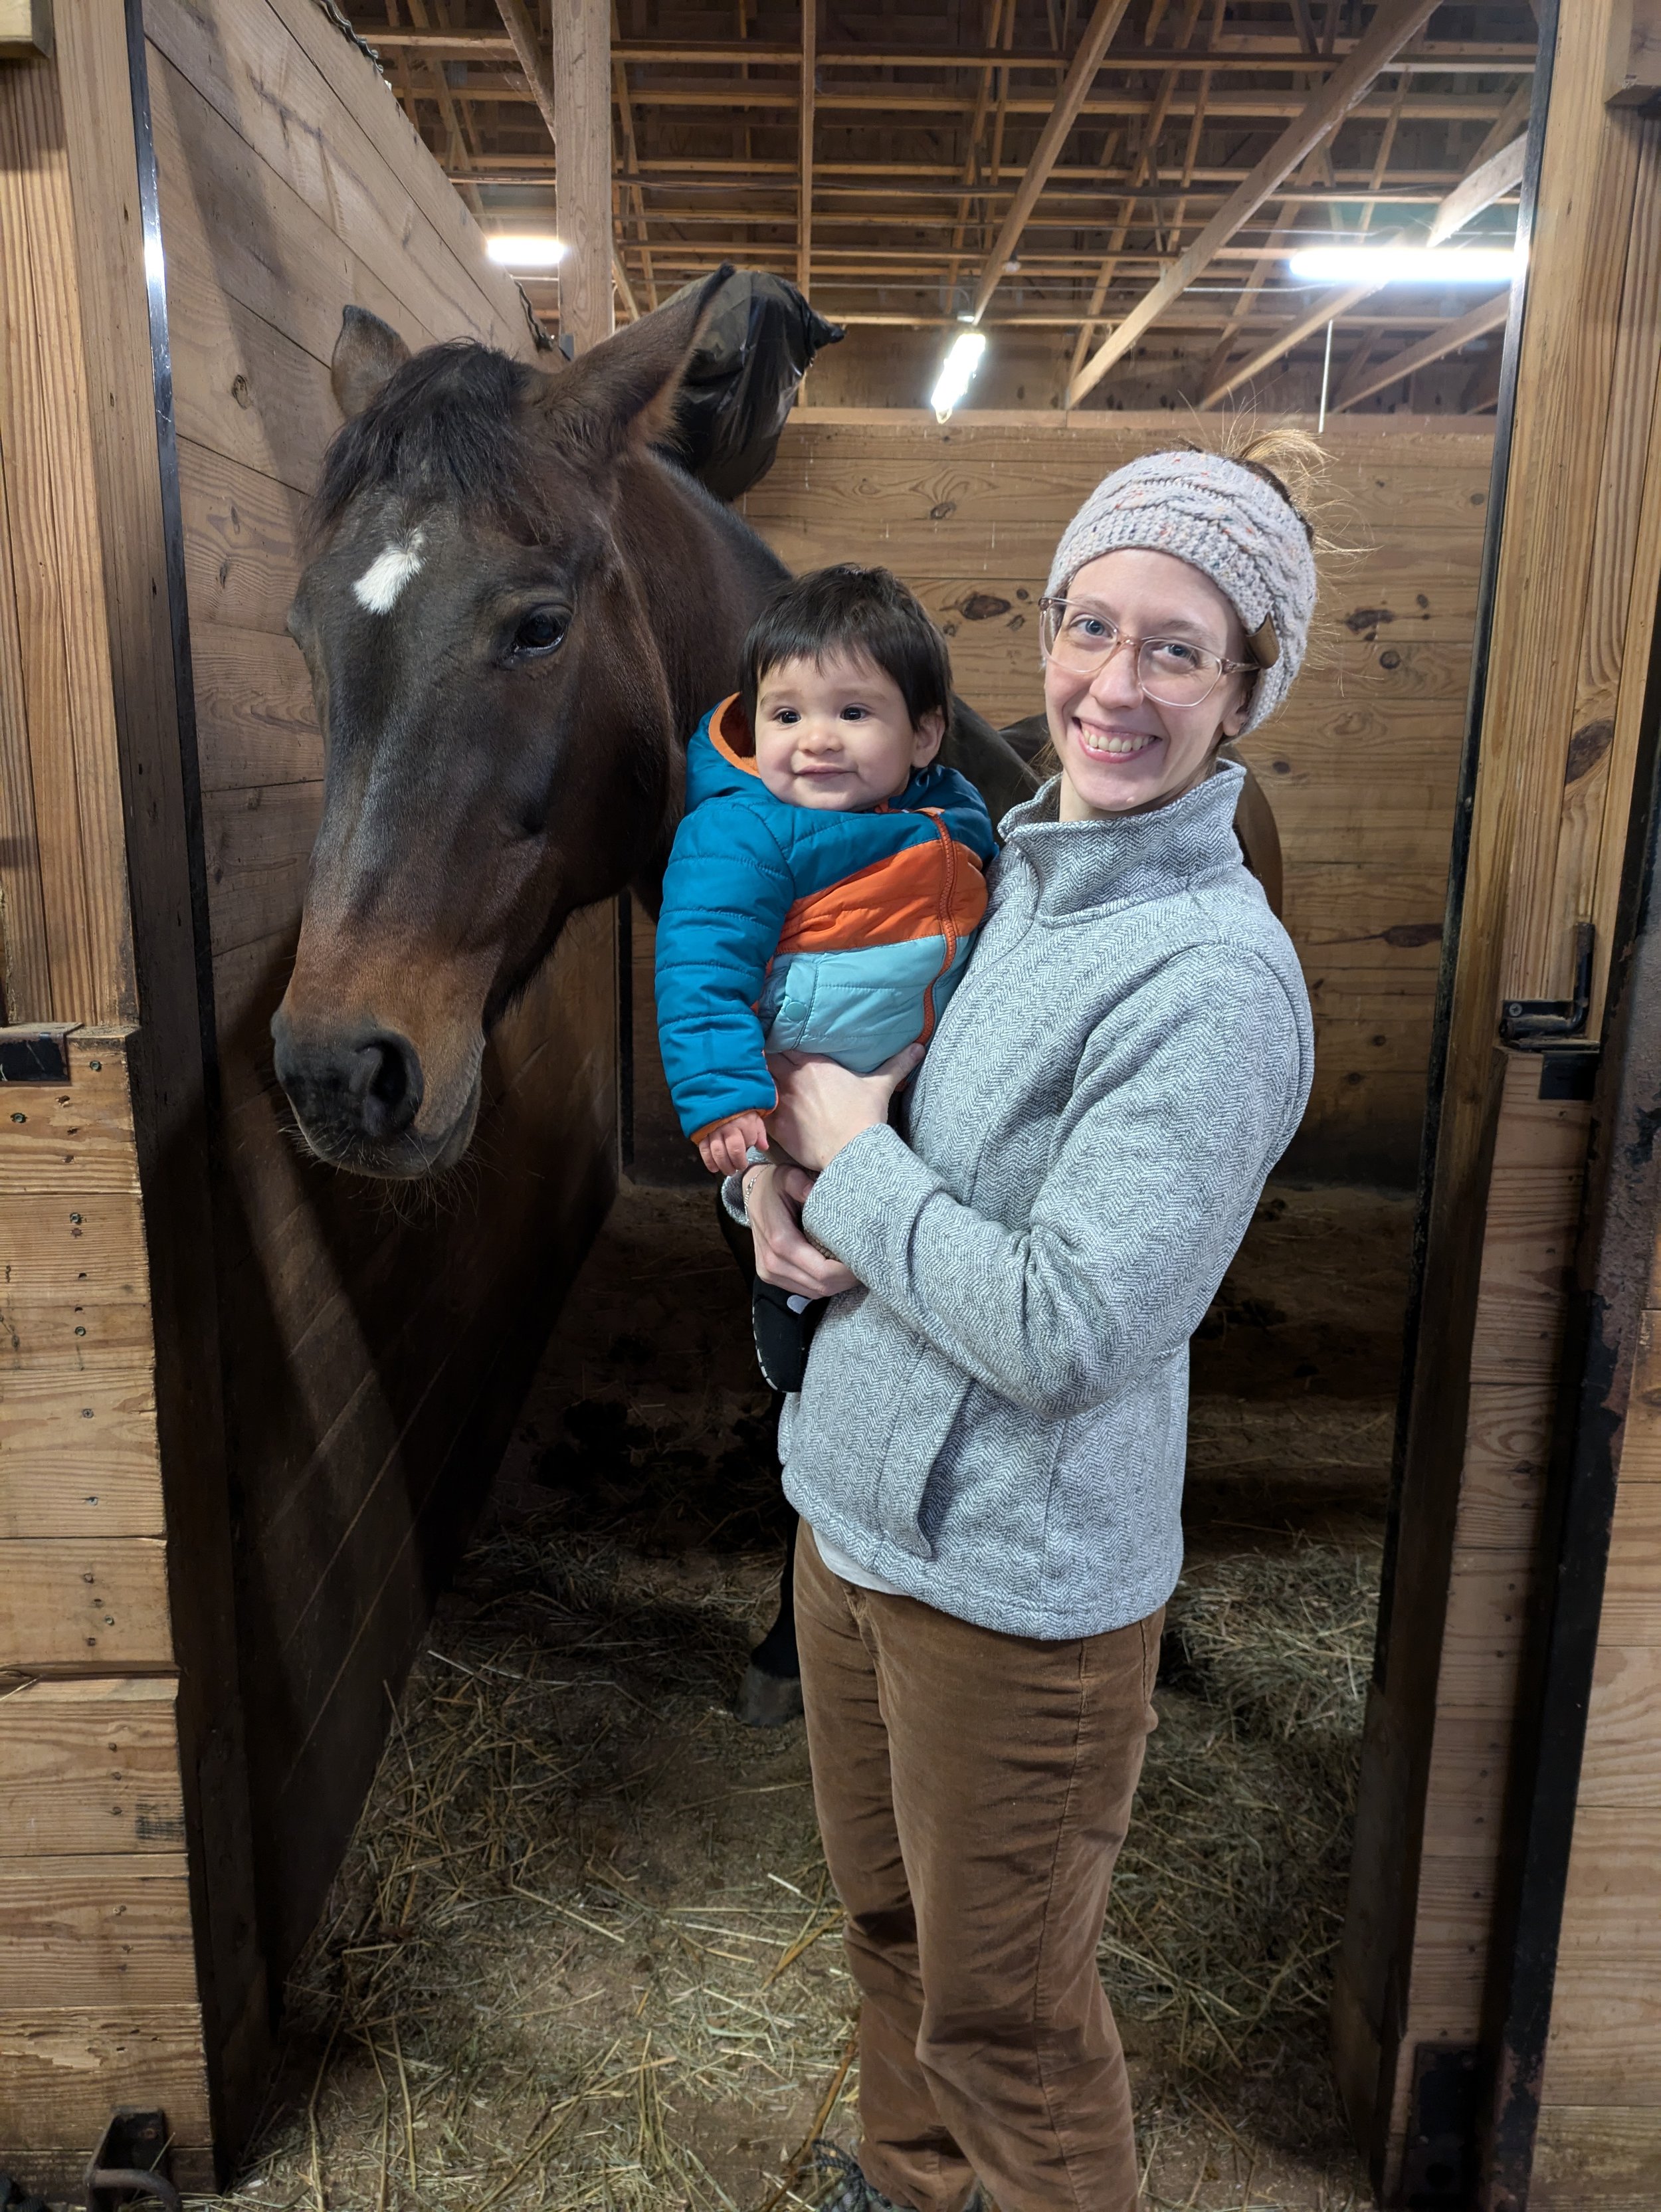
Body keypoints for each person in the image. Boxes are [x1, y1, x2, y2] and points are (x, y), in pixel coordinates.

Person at [732, 441, 1321, 2212]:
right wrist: (783, 1186)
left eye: (1175, 650)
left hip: (1016, 1584)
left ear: (1240, 694)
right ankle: (907, 2185)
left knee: (1008, 2021)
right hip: (852, 1521)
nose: (1113, 685)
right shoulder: (1001, 873)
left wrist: (852, 1167)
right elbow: (875, 1116)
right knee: (888, 1926)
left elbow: (1069, 1325)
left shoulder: (1213, 981)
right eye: (1089, 627)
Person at [654, 563, 997, 1391]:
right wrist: (724, 1097)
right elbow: (701, 968)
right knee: (814, 1214)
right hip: (809, 1067)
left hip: (906, 1066)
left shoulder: (953, 812)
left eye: (852, 712)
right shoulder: (741, 831)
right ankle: (787, 1304)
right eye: (787, 714)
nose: (816, 738)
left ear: (922, 736)